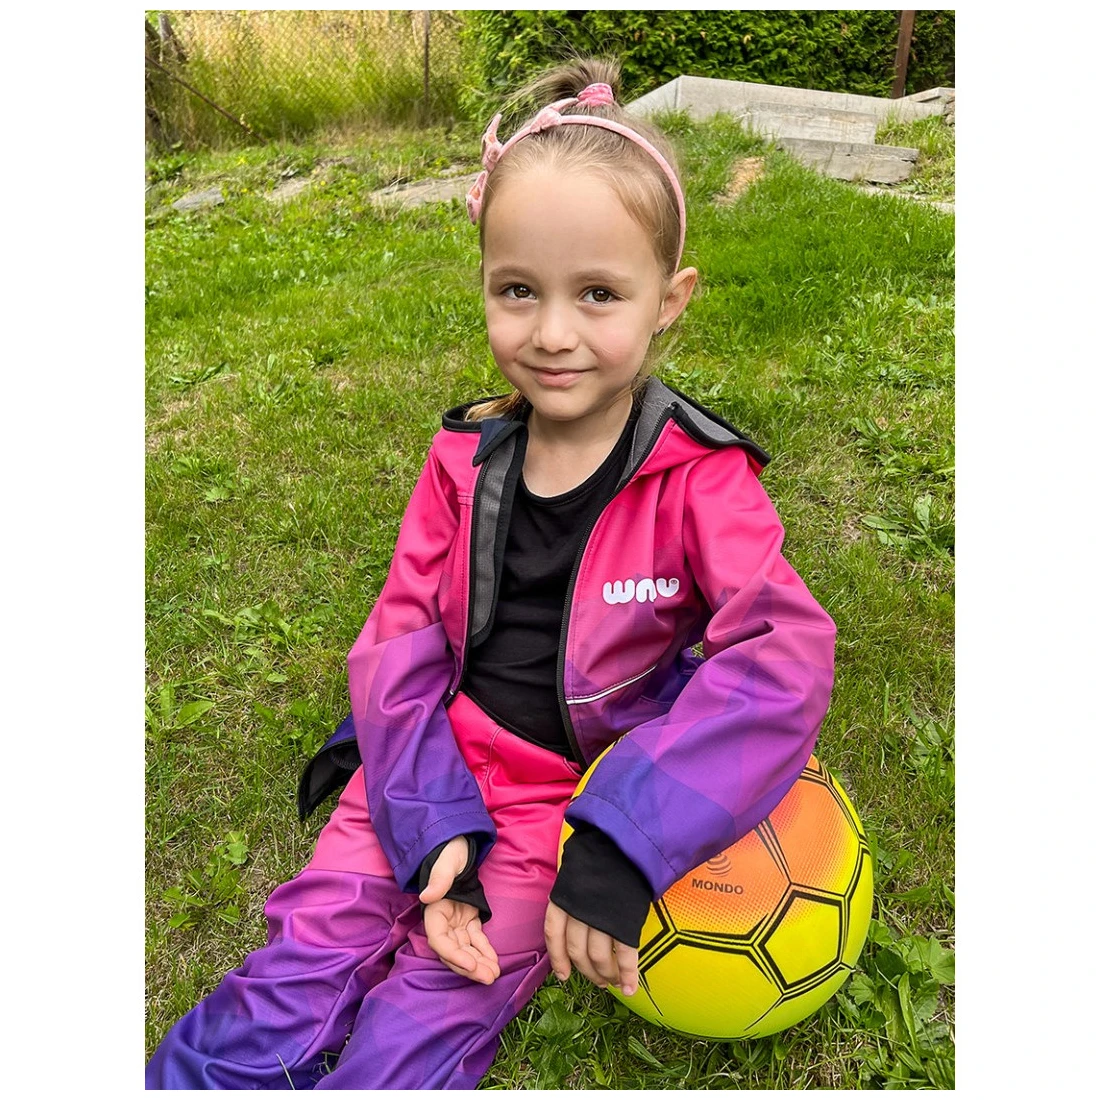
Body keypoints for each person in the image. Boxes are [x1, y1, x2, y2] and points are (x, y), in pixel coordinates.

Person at [146, 57, 836, 1090]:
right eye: (518, 290)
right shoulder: (461, 462)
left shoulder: (704, 481)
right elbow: (397, 650)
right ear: (483, 286)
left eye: (597, 294)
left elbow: (782, 657)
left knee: (431, 1006)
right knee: (300, 960)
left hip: (564, 799)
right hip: (422, 758)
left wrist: (620, 843)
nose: (552, 333)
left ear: (669, 300)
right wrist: (432, 835)